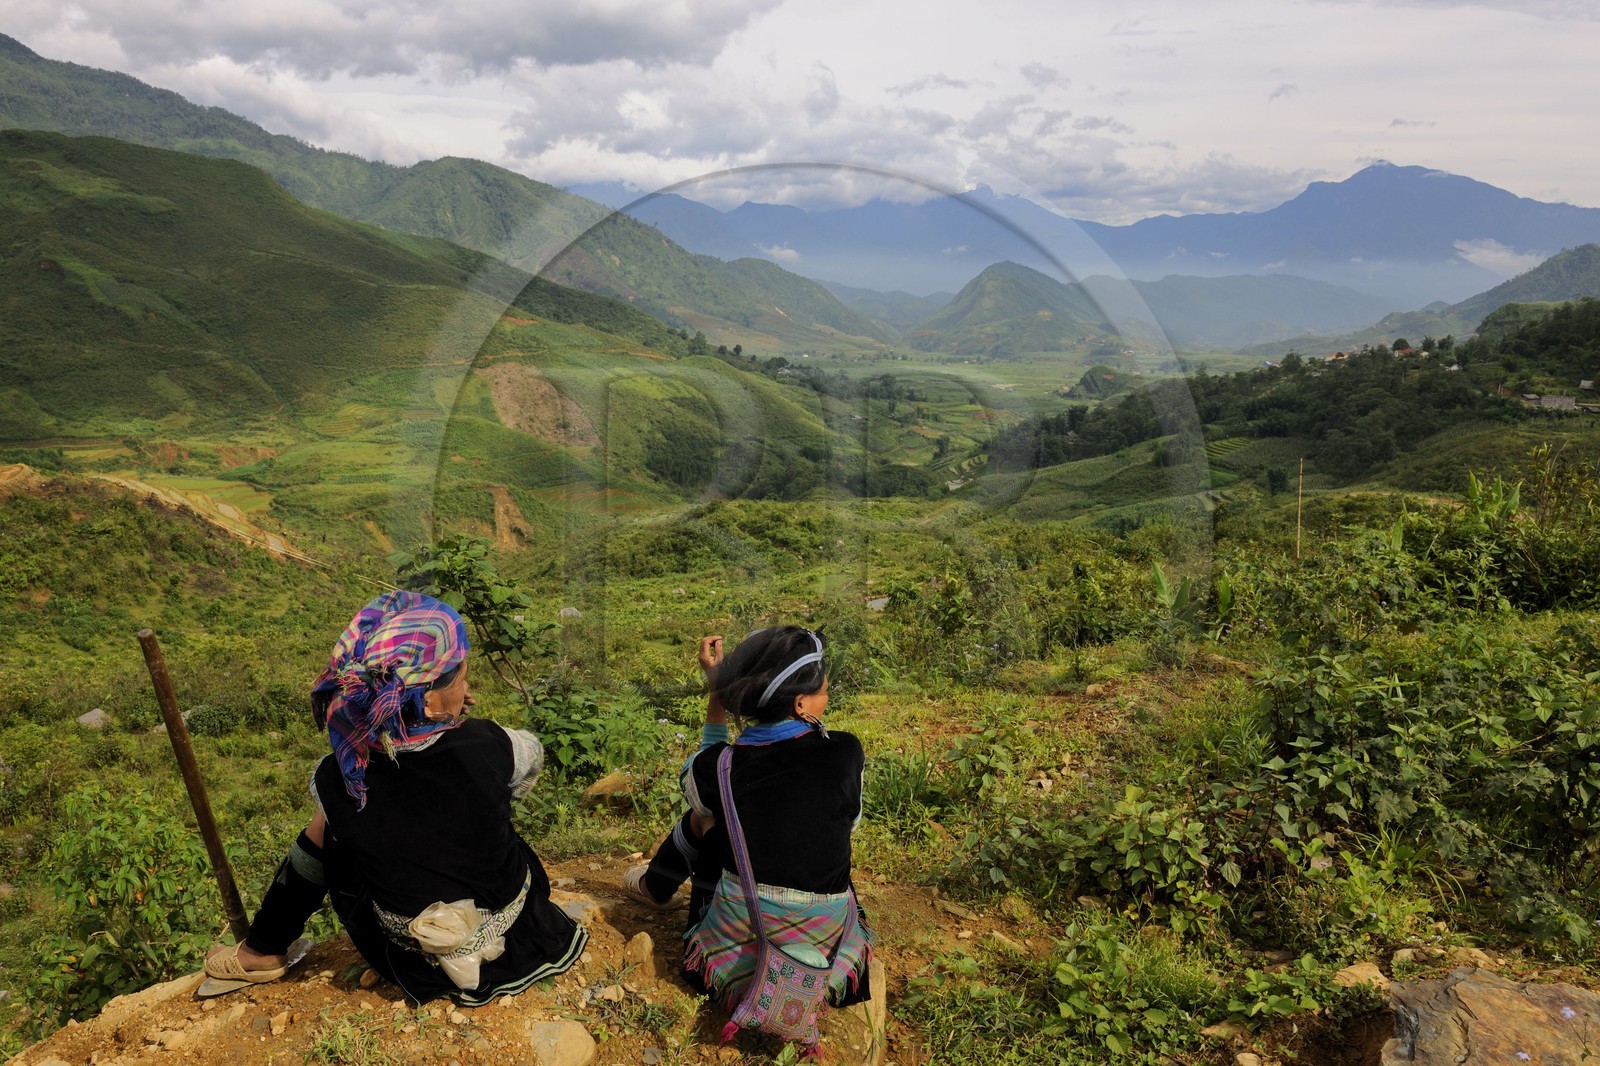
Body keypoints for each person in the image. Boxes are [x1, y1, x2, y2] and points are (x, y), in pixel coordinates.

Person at [203, 590, 587, 1005]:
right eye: (460, 679)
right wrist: (458, 731)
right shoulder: (492, 743)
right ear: (429, 698)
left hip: (416, 960)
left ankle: (262, 948)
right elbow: (527, 763)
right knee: (484, 812)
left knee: (329, 828)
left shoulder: (337, 776)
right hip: (523, 932)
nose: (468, 688)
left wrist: (438, 709)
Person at [622, 626, 872, 1014]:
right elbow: (849, 823)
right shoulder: (845, 751)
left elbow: (706, 791)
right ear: (801, 704)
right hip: (825, 942)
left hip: (739, 938)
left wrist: (716, 689)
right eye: (824, 691)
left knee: (702, 821)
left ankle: (657, 886)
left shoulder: (723, 764)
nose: (827, 697)